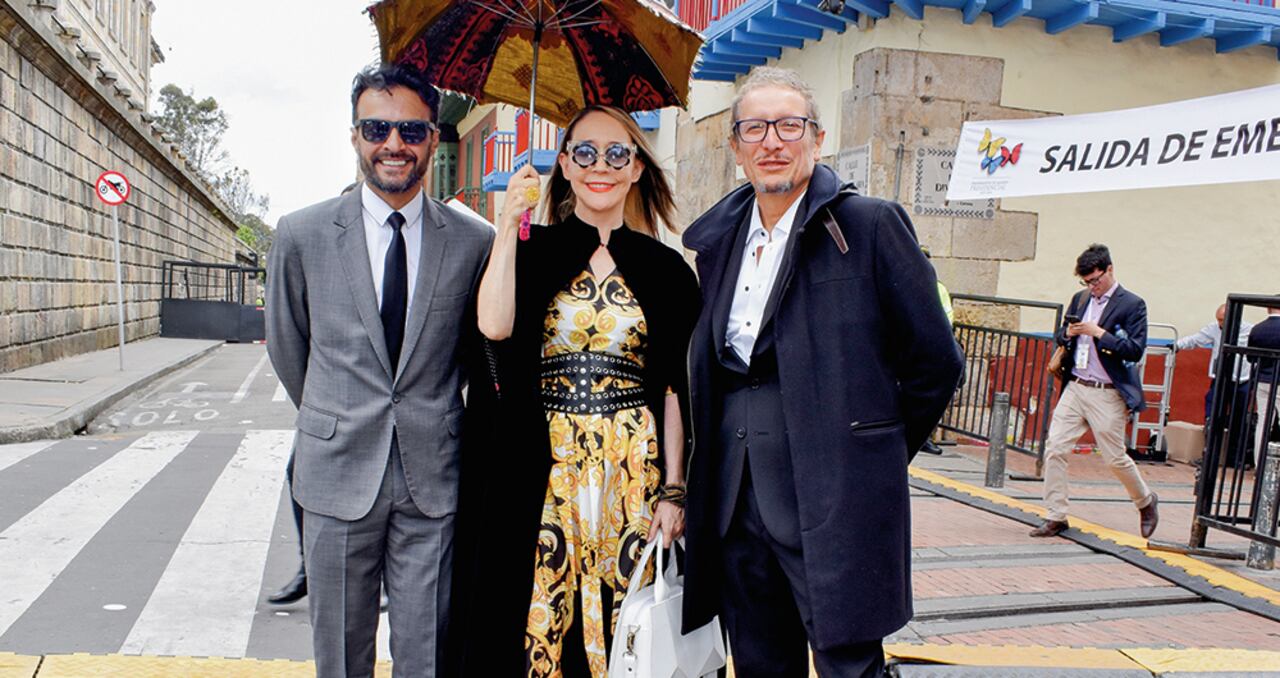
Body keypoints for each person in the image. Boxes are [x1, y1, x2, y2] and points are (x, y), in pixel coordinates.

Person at [680, 67, 963, 677]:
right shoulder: (718, 242)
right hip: (735, 496)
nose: (772, 142)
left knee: (848, 665)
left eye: (789, 126)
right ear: (735, 146)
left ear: (817, 137)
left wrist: (871, 449)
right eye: (754, 129)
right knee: (758, 663)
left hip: (833, 497)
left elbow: (936, 363)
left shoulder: (869, 226)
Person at [265, 63, 493, 678]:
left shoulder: (474, 240)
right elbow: (288, 346)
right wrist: (336, 414)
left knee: (429, 656)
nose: (394, 144)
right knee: (341, 658)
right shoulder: (302, 234)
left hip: (433, 480)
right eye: (376, 128)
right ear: (354, 136)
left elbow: (474, 352)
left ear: (433, 139)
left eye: (411, 131)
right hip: (336, 473)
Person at [456, 105, 700, 676]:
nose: (600, 166)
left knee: (631, 618)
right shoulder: (530, 248)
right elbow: (493, 327)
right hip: (545, 465)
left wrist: (674, 491)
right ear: (564, 165)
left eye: (617, 154)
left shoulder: (667, 270)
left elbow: (675, 388)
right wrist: (507, 226)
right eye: (585, 152)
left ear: (636, 168)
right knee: (541, 612)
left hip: (632, 472)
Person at [268, 182, 360, 608]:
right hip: (332, 410)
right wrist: (321, 407)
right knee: (299, 472)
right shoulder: (314, 245)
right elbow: (288, 338)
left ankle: (375, 576)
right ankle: (309, 564)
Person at [1031, 244, 1159, 539]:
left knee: (1114, 458)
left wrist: (1099, 333)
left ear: (1109, 269)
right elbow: (1061, 335)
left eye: (1096, 280)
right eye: (1086, 282)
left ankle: (1145, 501)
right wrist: (1068, 333)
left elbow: (1135, 350)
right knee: (1055, 448)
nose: (1092, 287)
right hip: (1077, 385)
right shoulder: (1080, 299)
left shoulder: (1133, 304)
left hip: (1107, 391)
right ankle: (1055, 515)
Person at [1176, 303, 1254, 468]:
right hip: (1220, 380)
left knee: (1239, 421)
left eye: (1222, 320)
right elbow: (1195, 339)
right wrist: (1177, 345)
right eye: (1218, 320)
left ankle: (1236, 460)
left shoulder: (1249, 330)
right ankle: (1210, 457)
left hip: (1242, 381)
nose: (1220, 323)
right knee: (1212, 418)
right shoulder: (1214, 329)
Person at [1250, 303, 1280, 469]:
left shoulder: (1257, 329)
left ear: (1268, 308)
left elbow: (1250, 358)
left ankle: (1259, 465)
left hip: (1262, 379)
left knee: (1263, 422)